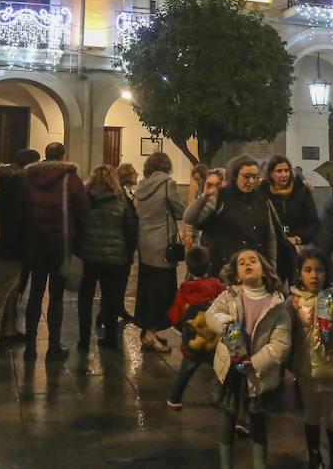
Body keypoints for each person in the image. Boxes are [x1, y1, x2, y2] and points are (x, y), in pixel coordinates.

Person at [206, 248, 292, 469]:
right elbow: (211, 314)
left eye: (253, 260)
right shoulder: (230, 296)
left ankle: (260, 463)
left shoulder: (276, 304)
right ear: (236, 275)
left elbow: (280, 344)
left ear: (264, 271)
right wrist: (223, 321)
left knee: (258, 420)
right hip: (231, 371)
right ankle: (226, 464)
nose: (248, 264)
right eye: (242, 262)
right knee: (228, 417)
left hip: (259, 373)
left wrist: (256, 362)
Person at [291, 245, 333, 468]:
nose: (314, 275)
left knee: (332, 416)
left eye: (319, 270)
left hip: (332, 370)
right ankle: (314, 456)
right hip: (306, 370)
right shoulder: (293, 304)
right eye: (308, 270)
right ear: (299, 273)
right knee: (311, 414)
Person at [21, 141, 90, 362]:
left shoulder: (29, 179)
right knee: (56, 297)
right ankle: (53, 347)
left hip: (35, 243)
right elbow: (83, 208)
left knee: (35, 294)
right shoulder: (71, 179)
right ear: (62, 157)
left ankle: (30, 348)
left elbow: (22, 207)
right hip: (60, 244)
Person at [0, 147, 37, 349]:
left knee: (8, 290)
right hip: (12, 251)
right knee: (1, 291)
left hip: (3, 249)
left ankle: (8, 329)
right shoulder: (16, 201)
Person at [185, 155, 285, 276]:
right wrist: (204, 197)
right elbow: (189, 218)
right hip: (225, 273)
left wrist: (271, 267)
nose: (251, 181)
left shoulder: (262, 199)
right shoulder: (220, 197)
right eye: (247, 177)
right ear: (235, 175)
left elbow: (271, 236)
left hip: (256, 272)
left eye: (255, 177)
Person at [76, 164, 137, 350]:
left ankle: (84, 339)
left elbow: (77, 225)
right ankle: (110, 337)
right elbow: (130, 228)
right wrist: (128, 252)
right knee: (111, 297)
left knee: (85, 298)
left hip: (89, 256)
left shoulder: (84, 199)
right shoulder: (121, 199)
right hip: (115, 257)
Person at [134, 151, 187, 353]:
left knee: (147, 289)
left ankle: (149, 332)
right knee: (161, 292)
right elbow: (180, 211)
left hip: (145, 244)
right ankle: (150, 334)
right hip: (163, 245)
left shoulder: (141, 186)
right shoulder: (168, 184)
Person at [166, 244, 226, 409]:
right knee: (221, 370)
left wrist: (184, 327)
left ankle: (175, 399)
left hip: (192, 340)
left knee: (185, 372)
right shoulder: (218, 287)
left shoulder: (185, 291)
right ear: (210, 265)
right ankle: (221, 397)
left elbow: (175, 316)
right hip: (215, 340)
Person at [262, 154, 319, 281]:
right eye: (279, 171)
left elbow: (314, 223)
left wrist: (298, 238)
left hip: (296, 250)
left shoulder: (302, 192)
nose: (284, 175)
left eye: (286, 170)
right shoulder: (263, 193)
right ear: (271, 174)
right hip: (273, 250)